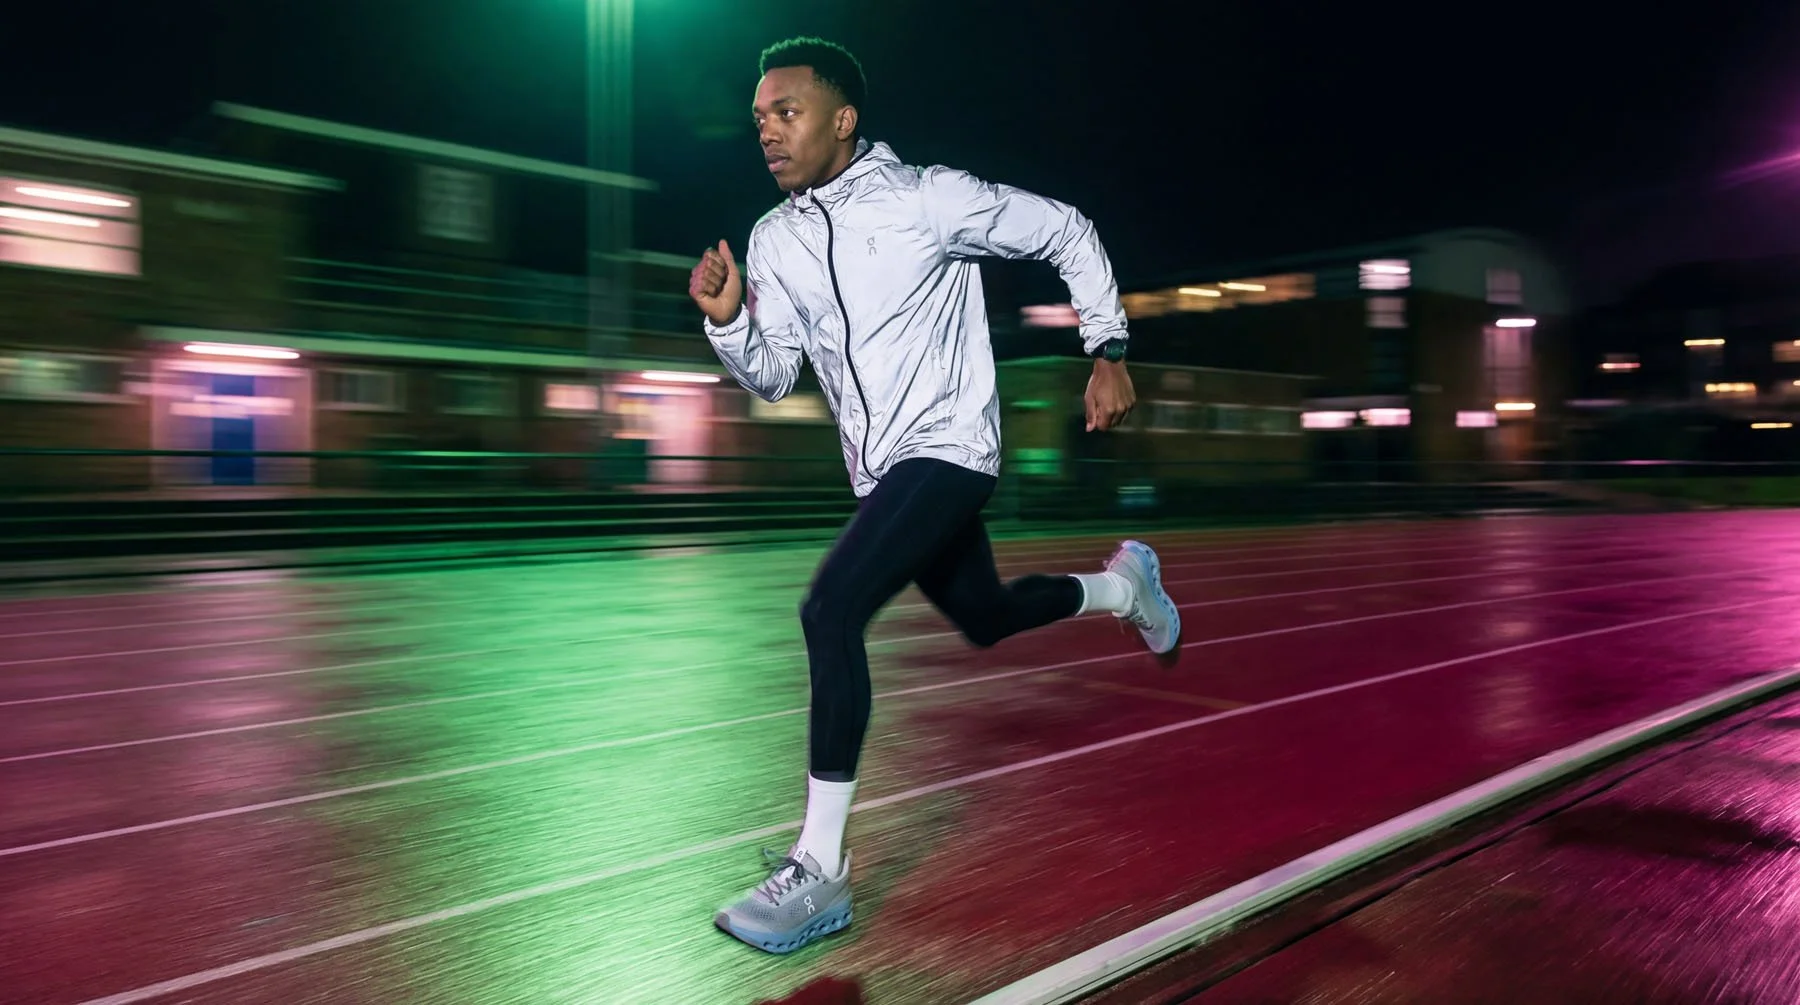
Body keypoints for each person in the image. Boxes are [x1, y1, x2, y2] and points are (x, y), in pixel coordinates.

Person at [688, 36, 1181, 954]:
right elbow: (772, 373)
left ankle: (822, 870)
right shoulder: (774, 239)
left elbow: (1066, 228)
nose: (766, 130)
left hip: (951, 449)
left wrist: (1107, 349)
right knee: (986, 615)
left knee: (830, 608)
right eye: (758, 116)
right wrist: (727, 326)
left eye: (785, 111)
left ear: (843, 119)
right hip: (883, 475)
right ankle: (1127, 586)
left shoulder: (925, 198)